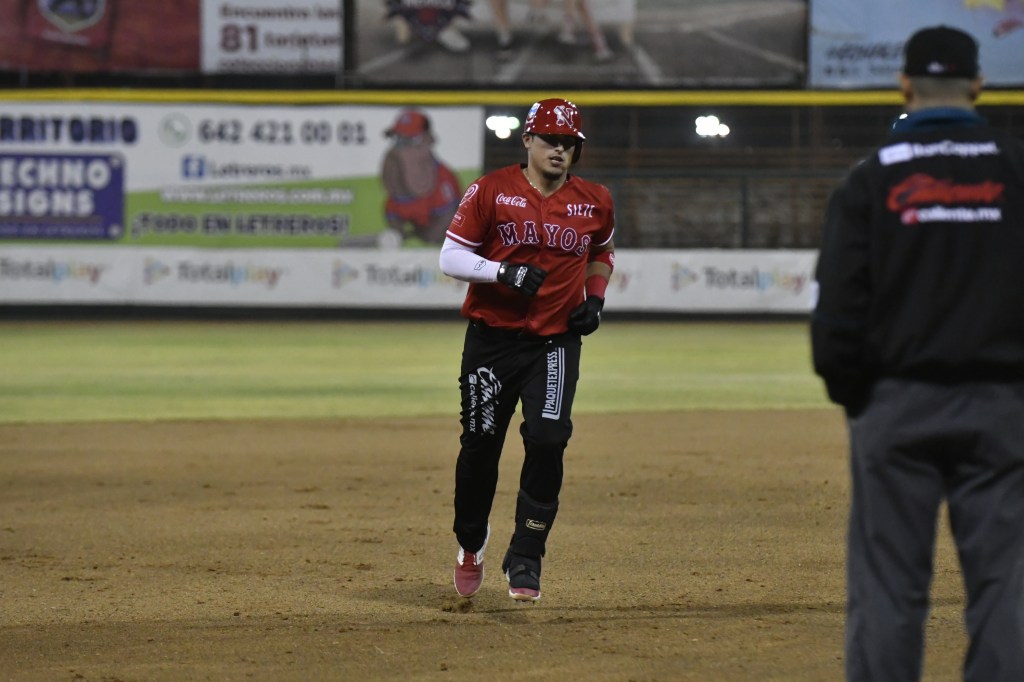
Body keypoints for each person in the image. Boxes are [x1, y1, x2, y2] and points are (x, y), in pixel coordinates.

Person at [811, 25, 1024, 682]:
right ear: (980, 85)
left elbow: (837, 315)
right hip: (1003, 407)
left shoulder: (871, 179)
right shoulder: (1016, 171)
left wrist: (862, 399)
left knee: (886, 589)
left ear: (905, 85)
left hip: (895, 406)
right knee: (1008, 589)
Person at [439, 98, 615, 602]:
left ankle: (526, 554)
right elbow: (450, 255)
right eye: (550, 140)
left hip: (556, 342)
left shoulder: (595, 199)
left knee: (548, 438)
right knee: (479, 447)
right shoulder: (490, 191)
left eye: (569, 143)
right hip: (492, 339)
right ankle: (471, 542)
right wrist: (502, 271)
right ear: (528, 142)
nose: (560, 149)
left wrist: (595, 301)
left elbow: (602, 252)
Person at [379, 109, 462, 245]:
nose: (402, 147)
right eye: (398, 139)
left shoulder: (442, 178)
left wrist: (425, 237)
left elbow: (449, 217)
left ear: (428, 139)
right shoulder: (395, 168)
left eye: (410, 140)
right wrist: (399, 232)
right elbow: (393, 211)